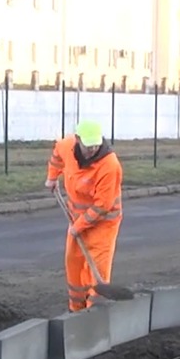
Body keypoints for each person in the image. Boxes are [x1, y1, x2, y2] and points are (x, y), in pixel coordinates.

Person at [44, 120, 123, 312]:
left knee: (98, 270)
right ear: (78, 139)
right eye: (88, 145)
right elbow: (57, 156)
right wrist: (52, 177)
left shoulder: (109, 165)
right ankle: (76, 309)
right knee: (74, 263)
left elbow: (102, 205)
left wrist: (78, 226)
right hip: (76, 218)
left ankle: (94, 312)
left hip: (103, 223)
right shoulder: (67, 146)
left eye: (96, 144)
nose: (93, 149)